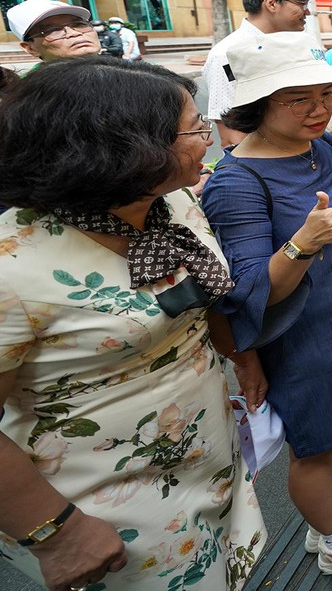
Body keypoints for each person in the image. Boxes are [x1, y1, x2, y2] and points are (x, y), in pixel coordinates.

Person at [0, 57, 265, 590]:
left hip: (206, 456)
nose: (209, 139)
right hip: (105, 505)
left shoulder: (174, 202)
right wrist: (55, 533)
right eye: (194, 129)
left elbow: (198, 297)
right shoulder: (13, 266)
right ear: (126, 151)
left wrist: (242, 357)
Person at [200, 32, 332, 581]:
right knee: (312, 447)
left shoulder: (323, 147)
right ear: (256, 104)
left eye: (326, 94)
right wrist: (302, 244)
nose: (319, 109)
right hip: (301, 337)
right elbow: (248, 290)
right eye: (298, 99)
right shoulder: (237, 182)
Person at [205, 0, 330, 146]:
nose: (308, 11)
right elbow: (232, 134)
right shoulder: (226, 55)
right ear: (271, 3)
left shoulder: (297, 45)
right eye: (301, 3)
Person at [6, 0, 101, 66]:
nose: (74, 33)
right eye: (53, 30)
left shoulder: (109, 70)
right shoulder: (31, 87)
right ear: (31, 48)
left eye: (79, 24)